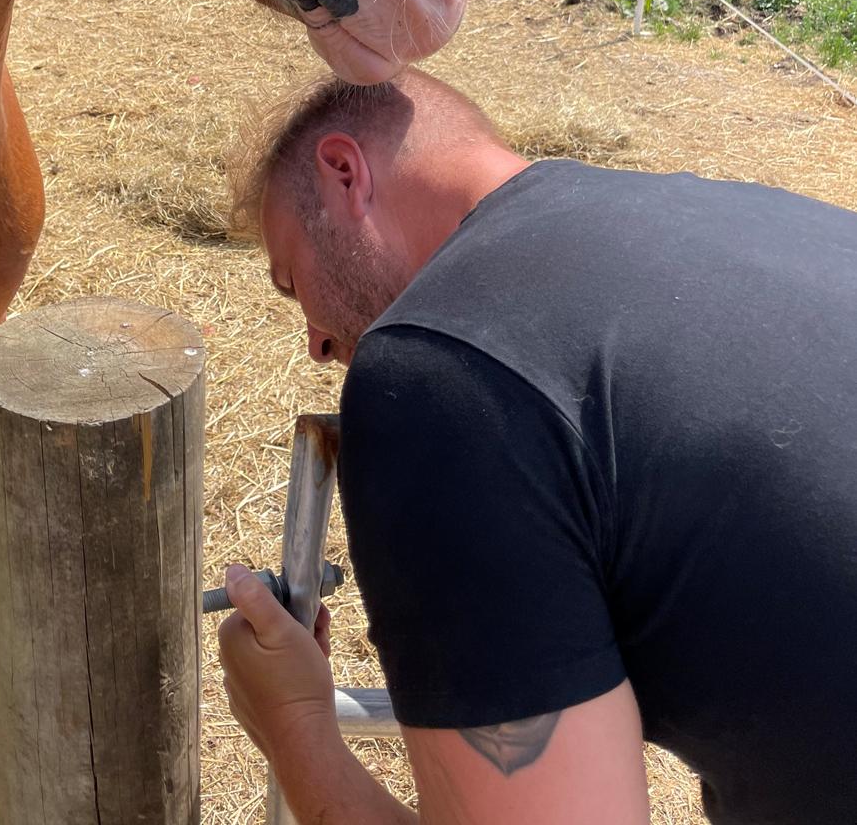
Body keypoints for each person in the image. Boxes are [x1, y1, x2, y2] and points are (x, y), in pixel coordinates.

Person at [216, 69, 857, 825]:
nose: (319, 343)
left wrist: (291, 727)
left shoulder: (443, 373)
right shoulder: (758, 216)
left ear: (345, 173)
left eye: (293, 282)